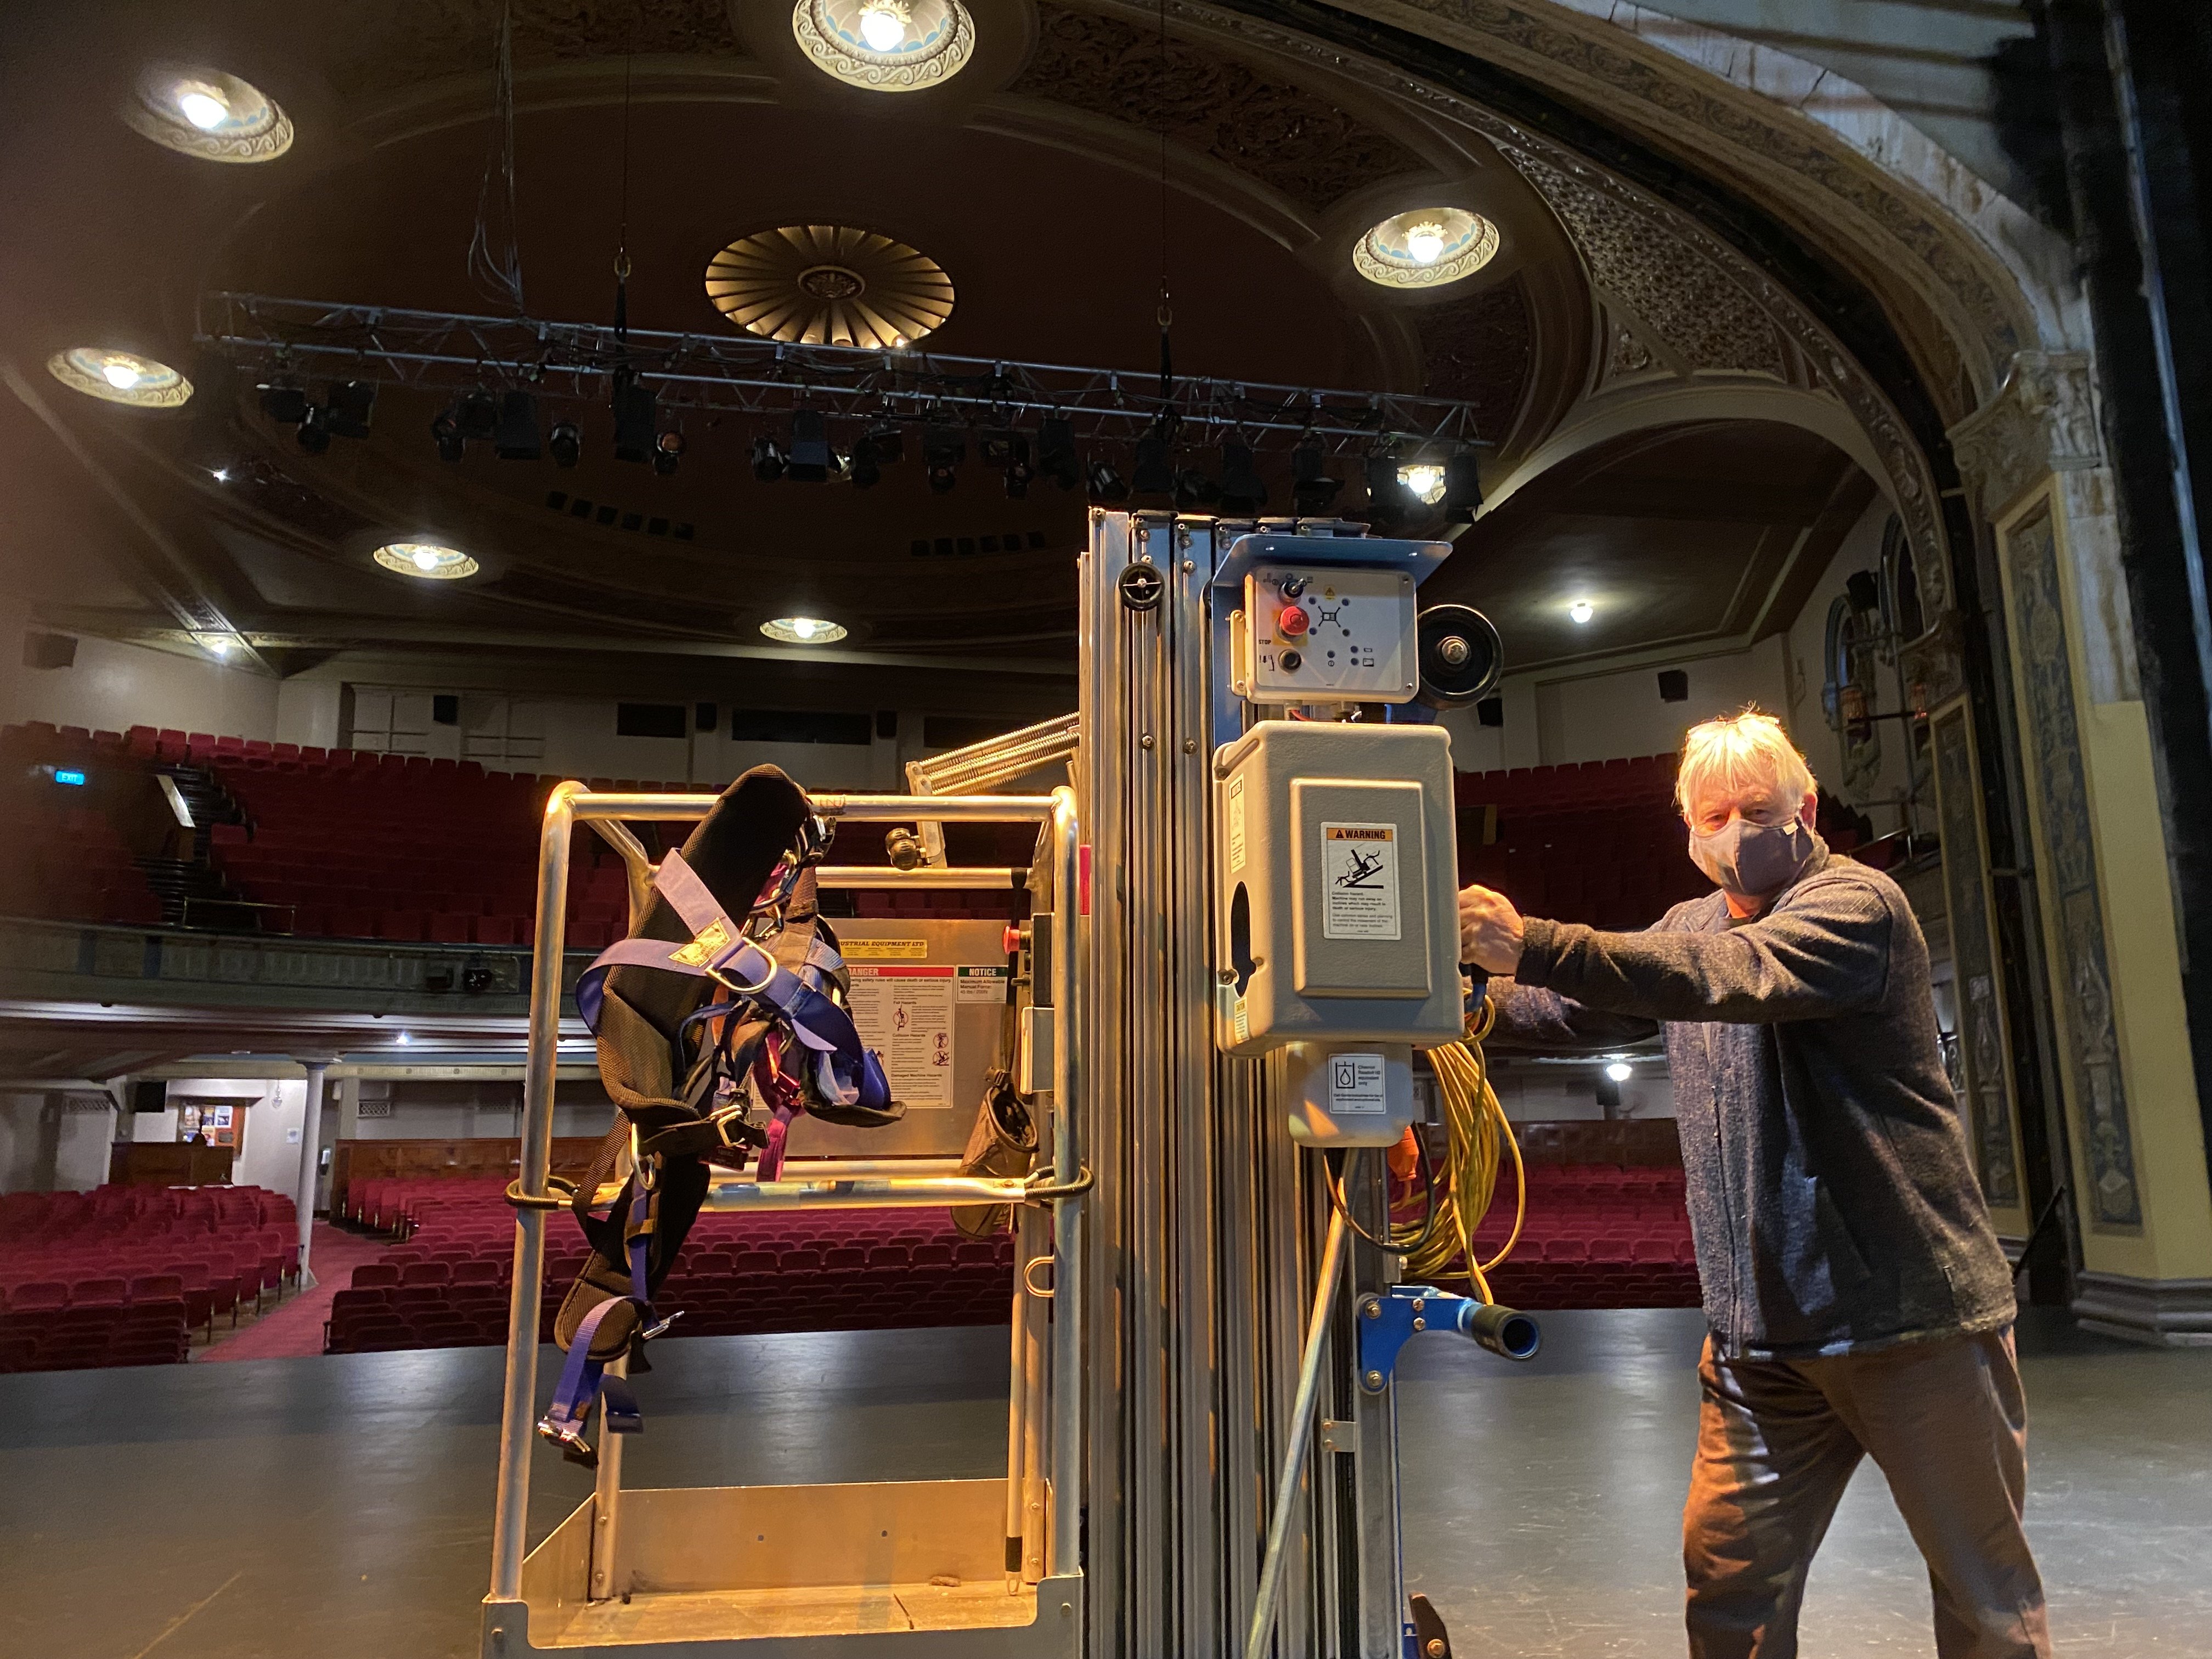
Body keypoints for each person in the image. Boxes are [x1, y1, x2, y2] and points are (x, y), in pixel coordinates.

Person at [1456, 709, 2048, 1659]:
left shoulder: (1857, 907)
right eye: (1712, 813)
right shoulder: (1689, 922)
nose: (1732, 831)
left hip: (1913, 1330)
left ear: (1805, 807)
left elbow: (1725, 976)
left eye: (1755, 808)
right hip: (1758, 1348)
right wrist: (1452, 993)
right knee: (1730, 1593)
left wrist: (1532, 937)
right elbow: (1576, 1004)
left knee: (1985, 1602)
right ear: (1687, 828)